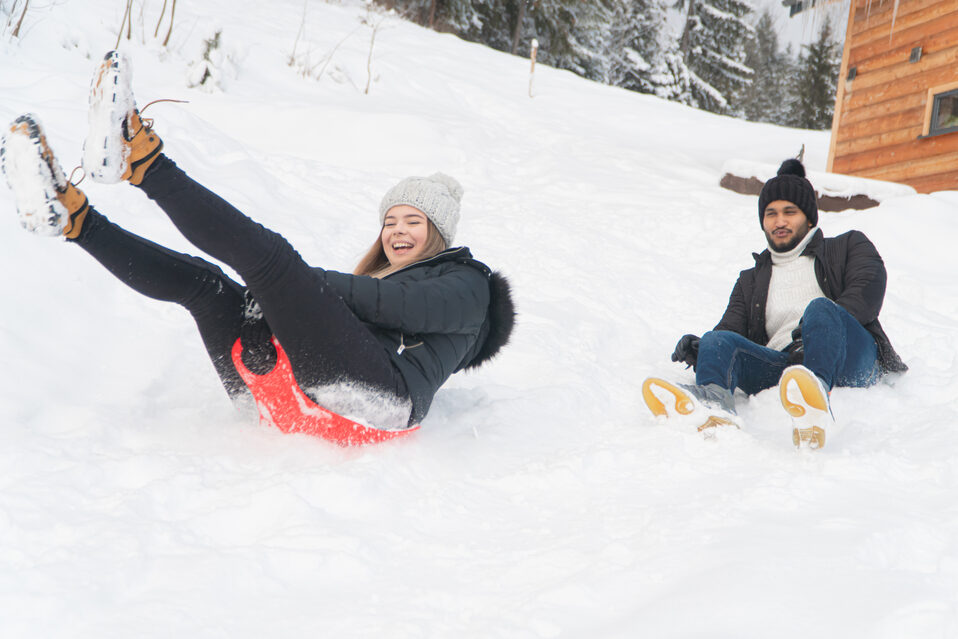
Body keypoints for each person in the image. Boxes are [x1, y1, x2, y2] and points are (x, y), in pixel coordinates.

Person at [1, 51, 514, 444]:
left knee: (271, 261)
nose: (398, 232)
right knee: (207, 287)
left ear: (440, 233)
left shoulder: (471, 287)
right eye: (390, 221)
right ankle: (75, 221)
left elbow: (393, 306)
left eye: (414, 221)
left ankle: (142, 162)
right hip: (293, 398)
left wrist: (291, 281)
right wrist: (279, 295)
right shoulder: (391, 279)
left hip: (379, 401)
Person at [642, 159, 906, 449]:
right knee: (716, 340)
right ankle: (713, 404)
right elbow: (730, 330)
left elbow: (866, 292)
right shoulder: (749, 281)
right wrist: (702, 348)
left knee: (820, 308)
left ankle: (814, 395)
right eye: (771, 214)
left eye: (789, 212)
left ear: (809, 217)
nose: (779, 221)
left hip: (848, 354)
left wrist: (815, 331)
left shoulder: (848, 246)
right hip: (785, 366)